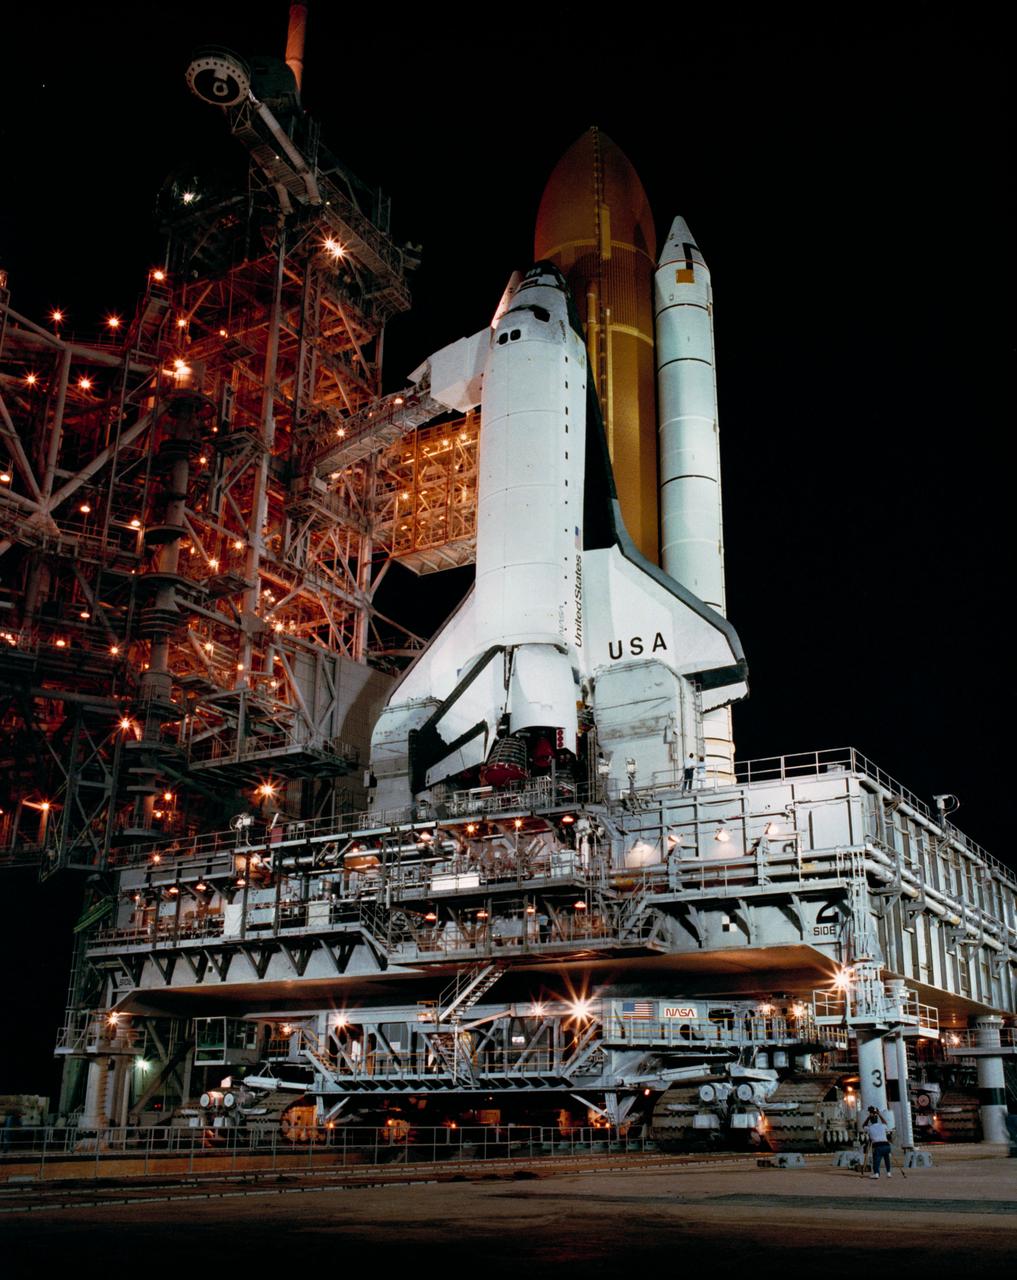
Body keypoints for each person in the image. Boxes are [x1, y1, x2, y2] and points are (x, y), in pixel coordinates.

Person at [862, 1105, 893, 1178]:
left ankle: (876, 1173)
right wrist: (879, 1114)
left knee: (876, 1160)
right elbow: (885, 1122)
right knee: (887, 1159)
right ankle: (888, 1173)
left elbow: (863, 1125)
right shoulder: (882, 1126)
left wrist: (868, 1117)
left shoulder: (869, 1128)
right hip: (886, 1145)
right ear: (877, 1120)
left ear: (871, 1121)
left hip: (878, 1146)